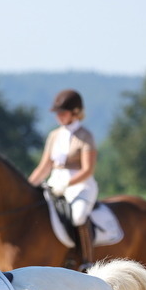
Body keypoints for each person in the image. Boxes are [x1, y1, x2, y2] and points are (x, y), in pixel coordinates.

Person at [28, 89, 99, 270]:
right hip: (54, 182)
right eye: (57, 113)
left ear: (75, 113)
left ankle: (86, 260)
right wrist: (28, 186)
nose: (59, 116)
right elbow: (44, 166)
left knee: (78, 216)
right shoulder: (54, 135)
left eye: (63, 112)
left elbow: (88, 169)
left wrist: (67, 184)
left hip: (80, 185)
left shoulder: (85, 136)